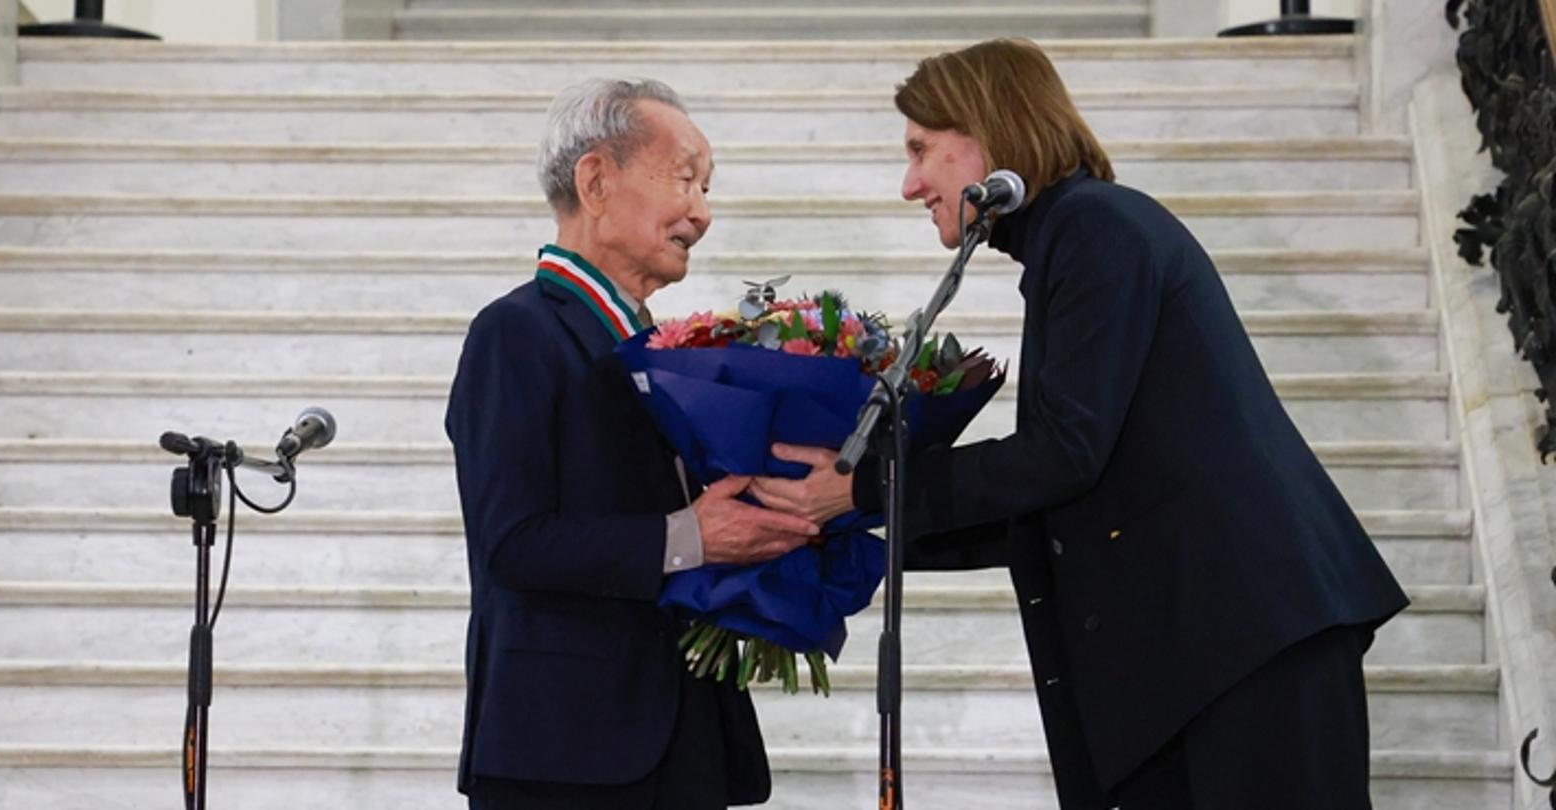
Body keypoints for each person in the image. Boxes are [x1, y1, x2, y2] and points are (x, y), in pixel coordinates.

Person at [748, 39, 1411, 809]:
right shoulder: (1079, 235)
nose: (909, 185)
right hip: (1206, 648)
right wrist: (839, 524)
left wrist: (866, 489)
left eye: (921, 150)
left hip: (1245, 639)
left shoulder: (1095, 228)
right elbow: (1059, 503)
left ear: (988, 129)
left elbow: (1063, 455)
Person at [446, 78, 820, 810]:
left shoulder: (665, 347)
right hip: (568, 749)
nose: (702, 212)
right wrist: (692, 537)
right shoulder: (517, 331)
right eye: (684, 179)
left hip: (683, 733)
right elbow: (512, 542)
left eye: (707, 188)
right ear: (595, 181)